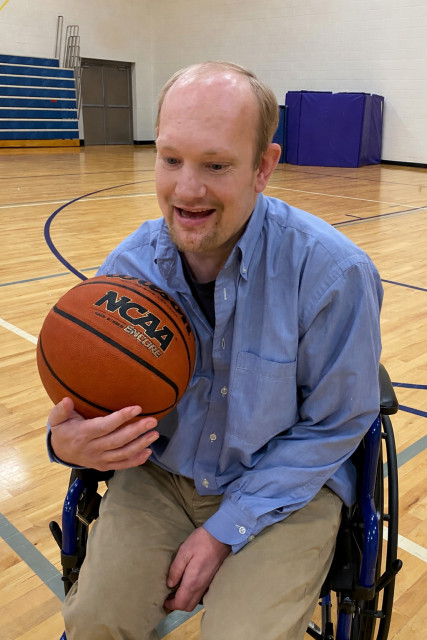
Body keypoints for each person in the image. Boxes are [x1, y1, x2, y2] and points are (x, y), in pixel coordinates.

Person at [47, 61, 383, 640]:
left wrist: (227, 528)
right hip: (161, 478)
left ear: (263, 167)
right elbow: (95, 406)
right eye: (170, 159)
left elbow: (335, 424)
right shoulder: (128, 271)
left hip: (287, 490)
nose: (186, 190)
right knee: (95, 622)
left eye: (216, 165)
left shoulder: (333, 273)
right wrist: (69, 442)